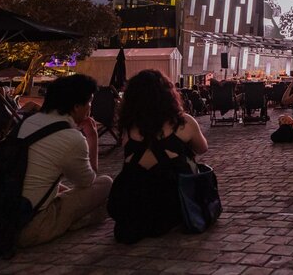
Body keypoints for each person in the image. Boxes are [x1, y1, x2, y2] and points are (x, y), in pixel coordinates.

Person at [108, 70, 209, 243]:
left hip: (134, 203)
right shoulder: (184, 122)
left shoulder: (128, 128)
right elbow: (202, 149)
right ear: (169, 95)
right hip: (172, 202)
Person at [17, 74, 112, 247]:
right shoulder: (71, 137)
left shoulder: (28, 123)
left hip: (8, 214)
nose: (90, 107)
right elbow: (87, 181)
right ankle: (77, 220)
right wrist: (92, 136)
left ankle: (79, 217)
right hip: (33, 225)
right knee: (105, 184)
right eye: (89, 102)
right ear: (76, 107)